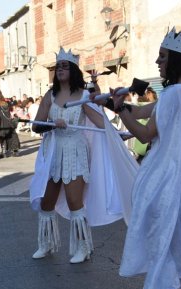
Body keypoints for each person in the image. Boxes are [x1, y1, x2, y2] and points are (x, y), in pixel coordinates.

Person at [111, 28, 181, 289]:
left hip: (166, 183)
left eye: (163, 57)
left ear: (177, 60)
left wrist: (120, 112)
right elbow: (140, 110)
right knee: (180, 248)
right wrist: (119, 105)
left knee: (162, 246)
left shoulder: (174, 94)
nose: (157, 61)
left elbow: (144, 133)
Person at [29, 47, 136, 264]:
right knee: (47, 200)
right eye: (57, 67)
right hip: (53, 152)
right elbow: (37, 126)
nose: (59, 70)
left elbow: (99, 121)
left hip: (76, 151)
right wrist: (51, 124)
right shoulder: (50, 96)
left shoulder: (84, 96)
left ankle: (83, 246)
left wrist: (115, 135)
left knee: (74, 201)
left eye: (64, 66)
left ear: (74, 70)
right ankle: (46, 242)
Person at [0, 89, 21, 158]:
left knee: (3, 136)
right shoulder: (6, 103)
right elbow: (11, 111)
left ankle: (4, 152)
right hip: (8, 122)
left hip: (1, 123)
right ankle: (15, 151)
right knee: (12, 135)